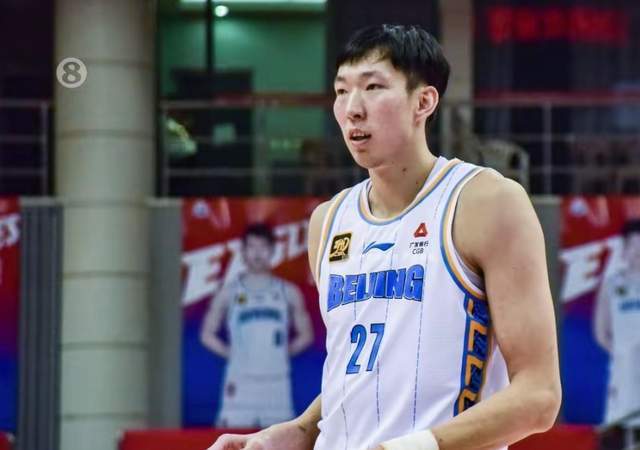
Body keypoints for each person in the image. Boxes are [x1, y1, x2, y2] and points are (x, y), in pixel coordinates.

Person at [208, 24, 561, 450]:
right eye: (341, 91)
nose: (352, 109)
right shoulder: (328, 221)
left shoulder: (487, 202)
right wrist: (298, 431)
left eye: (373, 87)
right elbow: (362, 374)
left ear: (424, 102)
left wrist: (408, 448)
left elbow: (539, 396)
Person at [200, 223, 314, 428]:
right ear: (243, 251)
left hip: (276, 384)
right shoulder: (228, 292)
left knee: (280, 439)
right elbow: (207, 334)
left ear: (272, 250)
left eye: (263, 247)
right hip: (240, 382)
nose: (257, 253)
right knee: (233, 440)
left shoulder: (288, 292)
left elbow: (306, 335)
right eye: (252, 247)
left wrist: (283, 353)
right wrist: (231, 353)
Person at [594, 220, 640, 430]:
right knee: (621, 426)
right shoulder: (612, 285)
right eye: (634, 246)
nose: (637, 252)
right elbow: (601, 331)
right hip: (622, 370)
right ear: (625, 248)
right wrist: (621, 352)